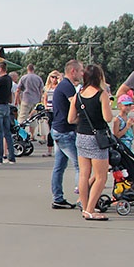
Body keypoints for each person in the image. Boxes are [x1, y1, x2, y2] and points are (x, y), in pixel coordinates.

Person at [68, 63, 112, 220]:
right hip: (96, 138)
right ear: (99, 77)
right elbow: (108, 118)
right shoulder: (102, 94)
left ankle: (85, 207)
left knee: (83, 174)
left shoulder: (78, 95)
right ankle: (90, 210)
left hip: (81, 136)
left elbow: (71, 118)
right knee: (101, 176)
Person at [50, 59, 83, 209]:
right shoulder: (67, 86)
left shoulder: (64, 85)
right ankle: (83, 199)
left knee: (59, 166)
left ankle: (57, 197)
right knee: (80, 166)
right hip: (65, 131)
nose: (82, 74)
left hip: (59, 129)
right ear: (73, 71)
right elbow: (75, 104)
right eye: (81, 71)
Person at [16, 64, 44, 141]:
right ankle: (32, 135)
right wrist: (40, 100)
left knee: (22, 117)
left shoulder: (23, 78)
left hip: (26, 99)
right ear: (33, 69)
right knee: (33, 118)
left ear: (27, 69)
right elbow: (41, 90)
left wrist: (17, 99)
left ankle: (21, 134)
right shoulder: (38, 78)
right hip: (36, 100)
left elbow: (18, 90)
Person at [41, 70, 61, 157]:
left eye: (56, 77)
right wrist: (45, 107)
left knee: (57, 129)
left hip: (57, 109)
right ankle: (49, 149)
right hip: (49, 109)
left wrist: (60, 80)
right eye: (52, 77)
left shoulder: (59, 87)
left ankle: (59, 149)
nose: (54, 79)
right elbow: (45, 98)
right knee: (50, 130)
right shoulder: (47, 87)